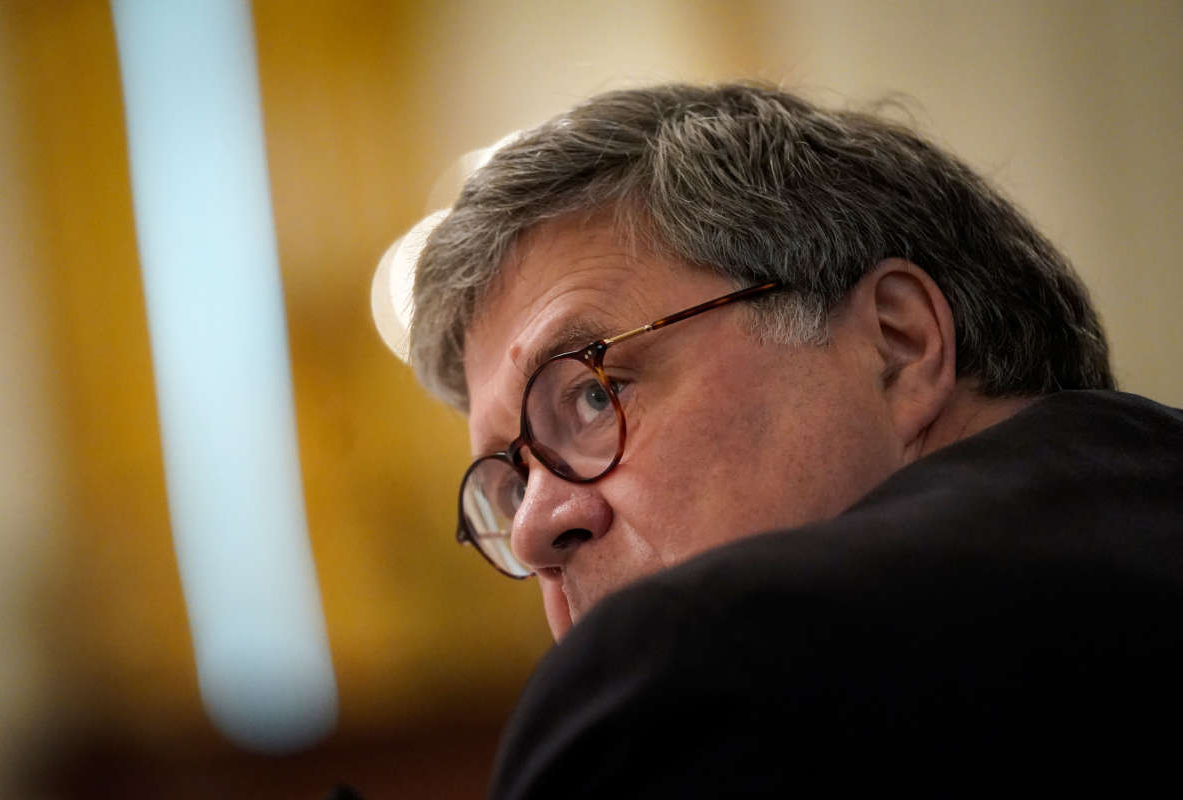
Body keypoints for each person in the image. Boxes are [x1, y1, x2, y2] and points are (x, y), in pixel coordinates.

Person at [404, 83, 1183, 796]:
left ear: (898, 345)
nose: (537, 529)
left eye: (590, 394)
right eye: (513, 480)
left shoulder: (686, 686)